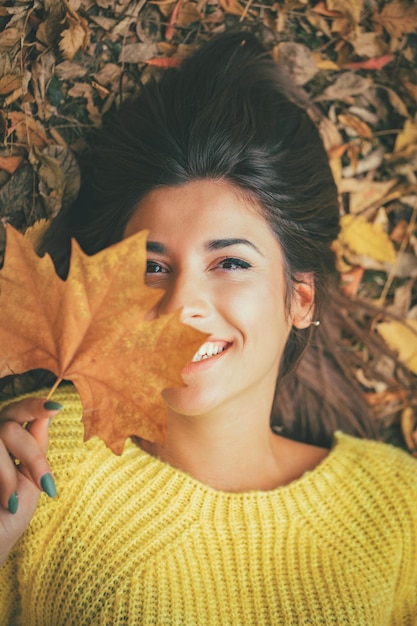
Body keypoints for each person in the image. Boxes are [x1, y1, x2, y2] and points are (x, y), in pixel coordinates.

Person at [0, 31, 416, 625]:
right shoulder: (35, 461)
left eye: (230, 263)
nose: (180, 306)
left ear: (299, 298)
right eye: (151, 267)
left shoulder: (396, 504)